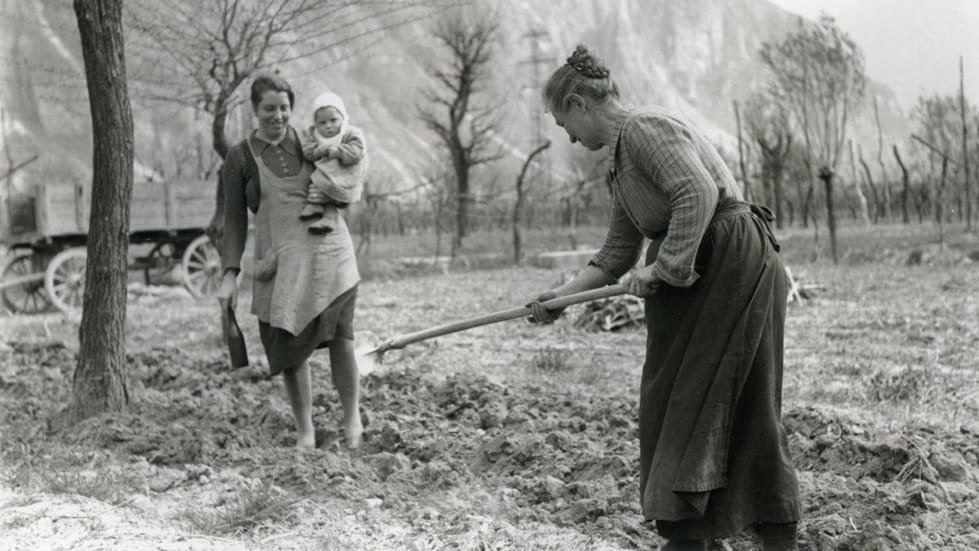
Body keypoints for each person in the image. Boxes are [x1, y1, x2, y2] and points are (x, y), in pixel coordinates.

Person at [528, 45, 800, 550]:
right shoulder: (620, 161)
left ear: (579, 103)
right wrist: (559, 299)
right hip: (703, 269)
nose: (565, 134)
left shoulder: (643, 129)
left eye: (562, 120)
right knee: (675, 400)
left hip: (729, 262)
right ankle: (692, 531)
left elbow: (697, 193)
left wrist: (666, 268)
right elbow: (615, 253)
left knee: (736, 397)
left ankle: (767, 532)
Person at [216, 74, 363, 450]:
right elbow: (232, 218)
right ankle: (306, 432)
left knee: (342, 338)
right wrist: (229, 274)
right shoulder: (240, 157)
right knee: (290, 344)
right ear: (254, 109)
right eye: (269, 109)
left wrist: (343, 183)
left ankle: (352, 422)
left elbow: (349, 165)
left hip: (329, 256)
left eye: (284, 108)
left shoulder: (310, 140)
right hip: (281, 265)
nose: (278, 116)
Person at [298, 92, 368, 235]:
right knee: (318, 182)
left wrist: (336, 151)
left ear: (342, 117)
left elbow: (357, 152)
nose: (328, 126)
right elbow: (307, 151)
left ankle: (329, 218)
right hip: (327, 174)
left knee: (327, 185)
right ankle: (315, 204)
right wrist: (318, 151)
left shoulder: (350, 133)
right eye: (322, 123)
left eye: (333, 120)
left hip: (347, 172)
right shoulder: (313, 135)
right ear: (315, 123)